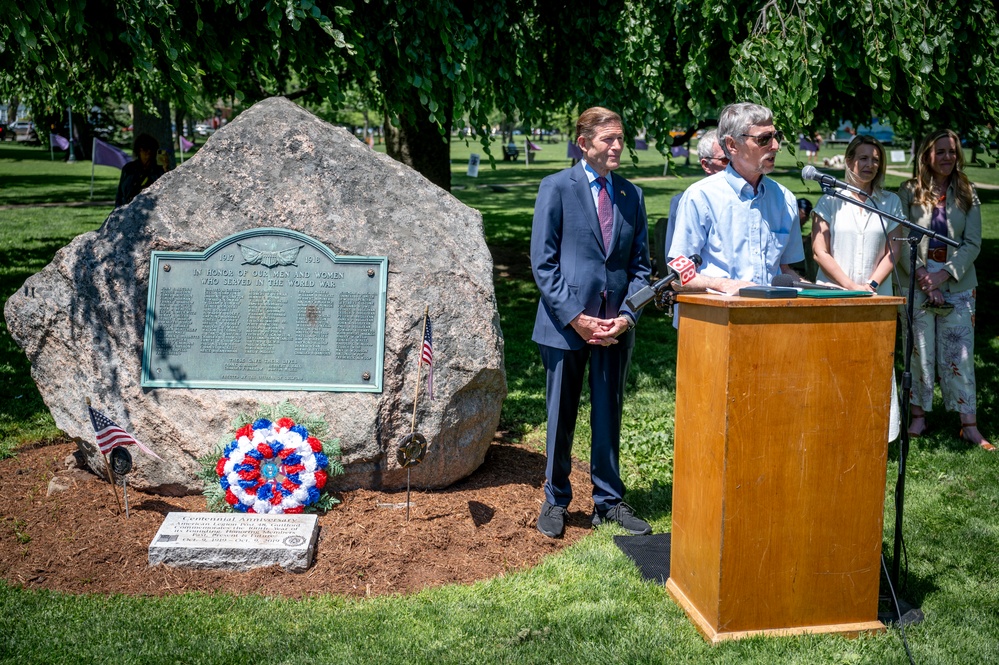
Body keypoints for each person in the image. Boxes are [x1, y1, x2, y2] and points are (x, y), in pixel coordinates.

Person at [530, 107, 652, 538]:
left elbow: (641, 267)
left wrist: (626, 316)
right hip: (565, 327)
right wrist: (576, 317)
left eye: (620, 138)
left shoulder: (631, 195)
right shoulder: (556, 187)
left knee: (608, 415)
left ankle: (608, 502)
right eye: (608, 139)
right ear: (583, 144)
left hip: (614, 330)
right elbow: (543, 264)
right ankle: (555, 499)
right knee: (560, 416)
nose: (617, 146)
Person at [897, 129, 993, 451]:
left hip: (958, 282)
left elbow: (974, 242)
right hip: (917, 280)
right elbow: (903, 239)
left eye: (952, 151)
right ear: (927, 155)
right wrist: (925, 277)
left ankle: (968, 425)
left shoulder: (967, 190)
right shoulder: (909, 191)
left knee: (960, 355)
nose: (948, 157)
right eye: (941, 151)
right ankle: (919, 417)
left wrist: (945, 276)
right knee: (919, 351)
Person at [811, 134, 905, 441]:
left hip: (876, 296)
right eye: (863, 158)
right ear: (849, 160)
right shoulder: (830, 200)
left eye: (875, 160)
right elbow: (819, 251)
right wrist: (852, 287)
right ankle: (830, 428)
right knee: (833, 363)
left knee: (875, 363)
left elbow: (895, 250)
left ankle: (875, 430)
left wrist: (872, 284)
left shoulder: (890, 202)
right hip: (833, 294)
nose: (869, 165)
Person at [667, 102, 804, 295]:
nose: (775, 146)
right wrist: (724, 284)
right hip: (716, 319)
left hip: (772, 318)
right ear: (732, 145)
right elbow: (678, 274)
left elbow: (784, 270)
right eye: (764, 139)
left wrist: (825, 289)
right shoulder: (700, 196)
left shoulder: (785, 199)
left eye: (776, 137)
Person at [115, 133, 168, 207]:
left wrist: (166, 169)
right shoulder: (129, 168)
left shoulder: (159, 170)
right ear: (138, 151)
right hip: (129, 207)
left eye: (152, 149)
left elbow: (166, 191)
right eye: (145, 149)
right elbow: (121, 194)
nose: (148, 153)